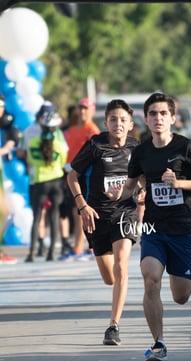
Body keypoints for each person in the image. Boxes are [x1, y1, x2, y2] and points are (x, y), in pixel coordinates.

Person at [106, 92, 191, 361]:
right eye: (153, 114)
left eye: (163, 113)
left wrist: (180, 183)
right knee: (150, 279)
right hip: (153, 227)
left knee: (180, 296)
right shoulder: (141, 152)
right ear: (146, 119)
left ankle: (184, 277)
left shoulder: (186, 147)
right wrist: (119, 194)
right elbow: (131, 186)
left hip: (183, 227)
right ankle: (158, 342)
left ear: (173, 118)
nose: (158, 118)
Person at [67, 99, 141, 345]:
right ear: (106, 122)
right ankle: (115, 308)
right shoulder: (96, 145)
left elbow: (144, 181)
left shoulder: (136, 148)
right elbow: (72, 175)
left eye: (122, 120)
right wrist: (82, 205)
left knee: (121, 267)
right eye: (113, 119)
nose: (117, 124)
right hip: (97, 216)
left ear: (130, 124)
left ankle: (114, 326)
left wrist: (142, 195)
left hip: (125, 214)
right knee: (109, 278)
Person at [60, 97, 100, 261]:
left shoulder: (93, 131)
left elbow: (94, 156)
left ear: (92, 111)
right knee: (75, 211)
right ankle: (82, 246)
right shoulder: (73, 129)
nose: (82, 111)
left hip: (85, 175)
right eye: (81, 108)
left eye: (86, 108)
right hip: (71, 174)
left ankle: (84, 247)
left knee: (81, 211)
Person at [25, 111, 68, 262]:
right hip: (56, 181)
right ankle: (51, 253)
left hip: (39, 181)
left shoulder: (32, 142)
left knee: (36, 218)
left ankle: (31, 253)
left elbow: (30, 161)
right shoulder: (60, 145)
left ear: (42, 127)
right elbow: (63, 162)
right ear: (55, 129)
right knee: (54, 215)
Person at [0, 94, 21, 264]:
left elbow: (11, 144)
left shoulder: (6, 127)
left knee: (8, 212)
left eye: (1, 106)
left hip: (2, 175)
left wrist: (8, 147)